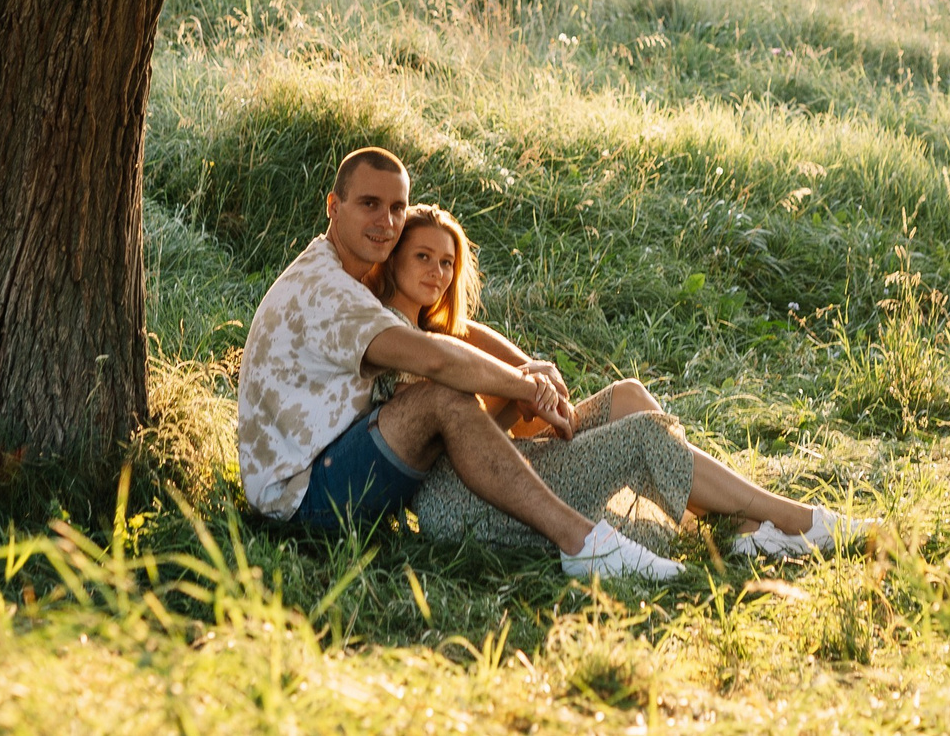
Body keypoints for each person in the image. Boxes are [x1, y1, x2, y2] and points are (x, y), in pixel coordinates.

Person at [235, 146, 685, 581]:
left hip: (330, 466)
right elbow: (435, 356)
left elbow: (445, 332)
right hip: (302, 500)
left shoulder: (344, 274)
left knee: (465, 397)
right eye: (370, 203)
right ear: (334, 206)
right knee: (440, 398)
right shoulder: (328, 289)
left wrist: (527, 369)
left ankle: (731, 521)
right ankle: (582, 543)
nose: (386, 221)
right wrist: (526, 388)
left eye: (397, 207)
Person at [373, 204, 877, 558]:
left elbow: (490, 431)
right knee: (645, 434)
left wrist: (524, 396)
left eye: (447, 262)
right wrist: (517, 389)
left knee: (628, 396)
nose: (438, 272)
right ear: (393, 259)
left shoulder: (438, 330)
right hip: (456, 499)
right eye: (423, 257)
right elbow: (444, 440)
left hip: (491, 469)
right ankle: (800, 522)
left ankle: (731, 527)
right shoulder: (391, 337)